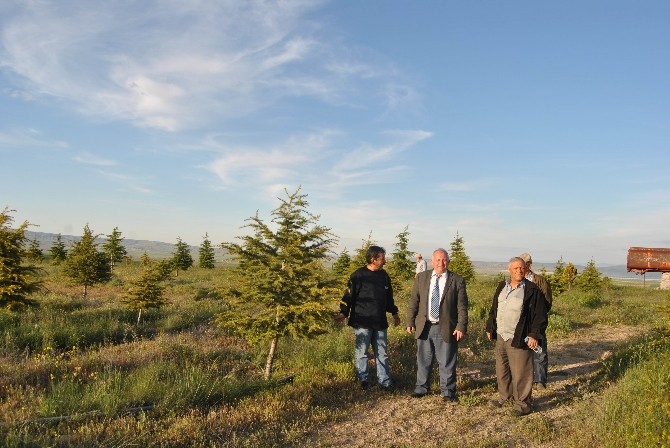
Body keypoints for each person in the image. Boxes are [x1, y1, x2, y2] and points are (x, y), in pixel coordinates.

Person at [486, 257, 548, 416]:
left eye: (522, 268)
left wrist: (534, 335)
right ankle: (505, 397)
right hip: (501, 336)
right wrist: (490, 327)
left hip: (519, 337)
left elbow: (540, 316)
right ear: (509, 270)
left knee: (521, 372)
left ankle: (523, 404)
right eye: (515, 268)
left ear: (526, 269)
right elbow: (494, 309)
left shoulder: (532, 290)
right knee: (502, 370)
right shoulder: (502, 286)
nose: (519, 271)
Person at [406, 248, 468, 401]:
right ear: (432, 261)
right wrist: (410, 321)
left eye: (444, 260)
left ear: (448, 261)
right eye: (438, 260)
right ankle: (421, 388)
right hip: (424, 326)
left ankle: (447, 392)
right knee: (423, 359)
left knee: (446, 361)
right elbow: (414, 301)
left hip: (446, 327)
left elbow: (462, 306)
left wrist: (461, 326)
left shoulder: (457, 280)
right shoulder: (421, 277)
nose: (441, 263)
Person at [336, 245, 400, 390]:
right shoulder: (358, 276)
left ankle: (385, 381)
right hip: (362, 322)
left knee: (382, 353)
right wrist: (343, 312)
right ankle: (363, 380)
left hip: (380, 322)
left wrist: (394, 313)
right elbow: (348, 296)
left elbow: (389, 298)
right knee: (362, 352)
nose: (385, 261)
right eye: (382, 258)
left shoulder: (384, 276)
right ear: (373, 259)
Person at [519, 252, 553, 389]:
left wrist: (538, 316)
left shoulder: (540, 281)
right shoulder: (515, 280)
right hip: (520, 322)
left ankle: (540, 380)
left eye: (523, 265)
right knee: (521, 350)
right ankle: (524, 378)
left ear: (529, 265)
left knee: (539, 350)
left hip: (536, 321)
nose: (520, 268)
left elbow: (547, 302)